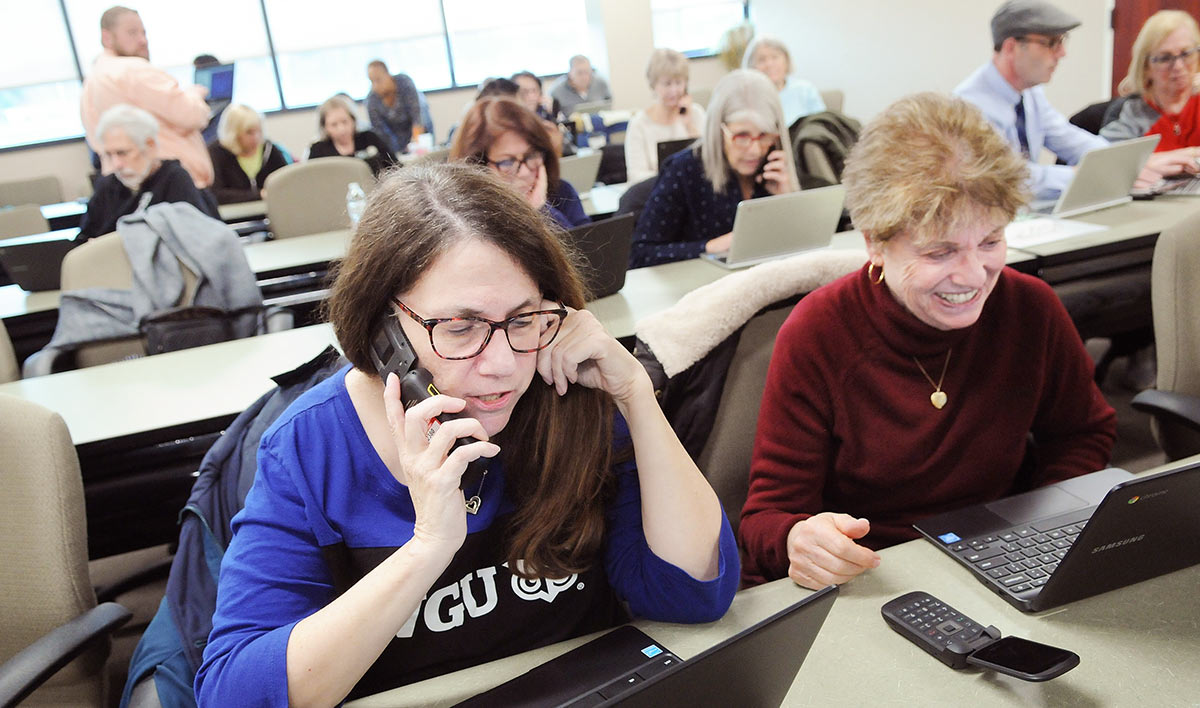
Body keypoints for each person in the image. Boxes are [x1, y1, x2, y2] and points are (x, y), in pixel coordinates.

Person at [195, 163, 738, 705]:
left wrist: (637, 398)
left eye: (523, 319)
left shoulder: (568, 390)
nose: (502, 364)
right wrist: (428, 547)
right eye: (460, 327)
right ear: (387, 329)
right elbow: (234, 694)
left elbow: (692, 594)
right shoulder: (310, 447)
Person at [739, 92, 1117, 589]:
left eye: (990, 242)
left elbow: (1083, 432)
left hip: (999, 556)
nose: (973, 275)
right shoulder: (818, 335)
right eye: (940, 251)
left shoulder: (1030, 308)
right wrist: (799, 539)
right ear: (874, 241)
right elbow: (766, 518)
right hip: (876, 577)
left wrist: (1038, 523)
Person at [955, 0, 1197, 201]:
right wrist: (1091, 175)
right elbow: (1009, 178)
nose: (1062, 53)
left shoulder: (1029, 94)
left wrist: (1125, 165)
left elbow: (1072, 140)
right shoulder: (971, 107)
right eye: (1051, 43)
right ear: (1011, 47)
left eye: (1062, 41)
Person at [629, 69, 799, 269]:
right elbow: (641, 254)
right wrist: (710, 247)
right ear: (719, 130)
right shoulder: (684, 170)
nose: (755, 150)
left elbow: (801, 250)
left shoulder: (775, 168)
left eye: (764, 135)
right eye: (741, 136)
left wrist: (789, 201)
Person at [81, 6, 214, 189]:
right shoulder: (135, 70)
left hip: (126, 186)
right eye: (132, 33)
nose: (143, 41)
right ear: (107, 37)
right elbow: (192, 115)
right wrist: (194, 95)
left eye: (144, 33)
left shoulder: (92, 81)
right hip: (172, 186)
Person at [79, 104, 219, 242]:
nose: (116, 165)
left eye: (122, 153)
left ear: (150, 145)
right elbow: (84, 237)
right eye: (109, 155)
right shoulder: (107, 185)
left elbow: (195, 236)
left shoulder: (174, 178)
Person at [450, 96, 589, 229]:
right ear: (478, 167)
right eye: (507, 162)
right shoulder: (463, 217)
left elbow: (587, 250)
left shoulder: (562, 193)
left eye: (532, 155)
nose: (524, 172)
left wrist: (541, 211)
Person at [1101, 11, 1200, 149]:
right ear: (1146, 66)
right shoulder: (1130, 112)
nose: (1178, 66)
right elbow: (1108, 160)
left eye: (1186, 54)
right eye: (1165, 58)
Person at [624, 48, 707, 184]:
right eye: (667, 84)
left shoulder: (696, 113)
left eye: (679, 83)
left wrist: (689, 125)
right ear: (654, 85)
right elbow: (636, 175)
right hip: (654, 193)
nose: (674, 90)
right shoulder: (639, 124)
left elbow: (708, 160)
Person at [207, 104, 291, 204]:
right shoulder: (216, 152)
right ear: (234, 133)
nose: (256, 138)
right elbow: (216, 193)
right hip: (234, 216)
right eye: (249, 132)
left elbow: (288, 183)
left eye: (258, 131)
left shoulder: (269, 149)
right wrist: (259, 195)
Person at [742, 35, 825, 127]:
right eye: (762, 59)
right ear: (752, 67)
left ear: (786, 61)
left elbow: (823, 125)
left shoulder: (805, 90)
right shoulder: (747, 97)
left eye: (775, 57)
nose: (769, 64)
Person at [307, 94, 398, 177]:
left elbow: (396, 166)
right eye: (334, 125)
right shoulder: (318, 151)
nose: (341, 129)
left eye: (345, 121)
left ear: (353, 120)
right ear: (325, 127)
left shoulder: (370, 138)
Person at [366, 60, 433, 155]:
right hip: (397, 138)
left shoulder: (404, 83)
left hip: (419, 129)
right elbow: (381, 132)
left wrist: (415, 145)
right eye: (371, 81)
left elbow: (417, 116)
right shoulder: (372, 101)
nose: (375, 86)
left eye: (378, 80)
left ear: (388, 74)